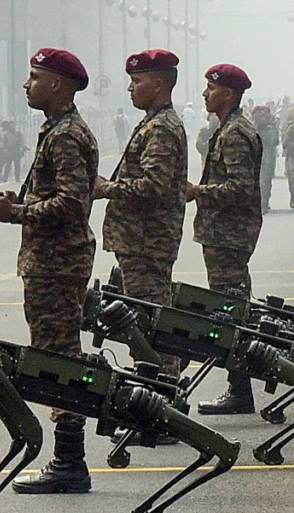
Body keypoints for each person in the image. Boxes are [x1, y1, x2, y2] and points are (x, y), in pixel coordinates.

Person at [0, 48, 98, 495]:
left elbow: (71, 203)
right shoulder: (57, 130)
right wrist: (20, 202)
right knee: (56, 356)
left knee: (58, 360)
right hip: (53, 261)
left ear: (57, 85)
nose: (26, 85)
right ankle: (67, 459)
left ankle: (70, 462)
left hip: (57, 263)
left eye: (34, 77)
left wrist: (15, 213)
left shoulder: (66, 135)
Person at [93, 49, 187, 379]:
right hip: (142, 241)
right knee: (147, 324)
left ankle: (159, 404)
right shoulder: (153, 124)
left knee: (150, 328)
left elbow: (154, 187)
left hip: (146, 242)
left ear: (158, 84)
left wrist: (107, 188)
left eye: (136, 81)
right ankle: (157, 397)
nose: (130, 88)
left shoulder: (160, 128)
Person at [186, 64, 264, 416]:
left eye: (211, 88)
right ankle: (239, 385)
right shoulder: (228, 128)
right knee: (230, 309)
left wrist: (197, 192)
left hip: (229, 234)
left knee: (230, 311)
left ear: (228, 94)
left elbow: (241, 188)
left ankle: (240, 390)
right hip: (225, 232)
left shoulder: (234, 133)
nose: (205, 94)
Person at [252, 105, 280, 214]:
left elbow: (274, 141)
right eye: (258, 113)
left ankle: (263, 203)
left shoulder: (270, 128)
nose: (260, 116)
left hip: (266, 158)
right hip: (253, 159)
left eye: (262, 113)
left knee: (265, 182)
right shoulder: (250, 127)